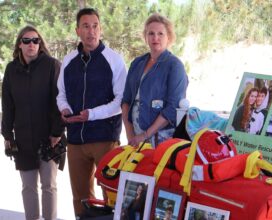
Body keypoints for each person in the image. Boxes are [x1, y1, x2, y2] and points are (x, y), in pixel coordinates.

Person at [56, 8, 127, 218]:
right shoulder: (68, 61)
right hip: (75, 140)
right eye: (85, 26)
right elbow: (61, 95)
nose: (91, 31)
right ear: (78, 30)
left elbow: (120, 102)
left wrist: (92, 114)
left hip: (105, 139)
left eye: (95, 26)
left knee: (111, 195)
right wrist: (65, 109)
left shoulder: (114, 60)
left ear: (101, 29)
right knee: (80, 197)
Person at [1, 25, 64, 220]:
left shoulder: (52, 65)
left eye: (35, 40)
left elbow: (59, 101)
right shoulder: (12, 70)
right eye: (26, 41)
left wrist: (57, 132)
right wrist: (7, 135)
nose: (31, 44)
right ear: (20, 44)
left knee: (49, 185)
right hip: (23, 138)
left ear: (40, 43)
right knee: (28, 186)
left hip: (49, 137)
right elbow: (8, 105)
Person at [122, 13, 188, 147]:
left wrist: (145, 135)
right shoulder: (137, 63)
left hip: (161, 139)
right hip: (135, 138)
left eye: (160, 34)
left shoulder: (174, 66)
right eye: (151, 33)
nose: (155, 38)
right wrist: (131, 136)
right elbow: (126, 101)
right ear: (145, 37)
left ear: (168, 37)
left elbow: (173, 107)